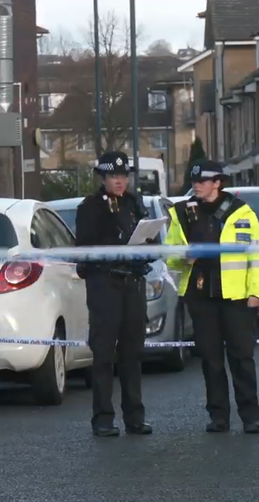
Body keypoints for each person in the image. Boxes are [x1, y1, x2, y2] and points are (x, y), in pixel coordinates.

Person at [164, 159, 259, 434]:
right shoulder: (182, 213)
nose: (196, 185)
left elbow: (256, 256)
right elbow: (170, 254)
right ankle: (219, 416)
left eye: (203, 181)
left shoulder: (241, 212)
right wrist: (183, 257)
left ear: (218, 183)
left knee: (241, 357)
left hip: (236, 297)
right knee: (210, 359)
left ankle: (250, 416)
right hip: (200, 296)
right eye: (194, 181)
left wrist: (256, 293)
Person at [75, 151, 154, 438]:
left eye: (123, 176)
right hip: (104, 283)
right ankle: (103, 418)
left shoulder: (134, 203)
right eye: (113, 177)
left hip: (132, 282)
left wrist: (148, 242)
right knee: (104, 353)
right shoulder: (90, 207)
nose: (120, 181)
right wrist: (118, 243)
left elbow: (150, 240)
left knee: (133, 353)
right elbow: (84, 245)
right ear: (103, 178)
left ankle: (135, 417)